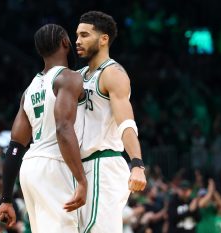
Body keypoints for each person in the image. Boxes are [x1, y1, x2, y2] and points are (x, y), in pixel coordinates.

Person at [0, 24, 87, 233]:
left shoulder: (30, 89)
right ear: (65, 42)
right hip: (55, 163)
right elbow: (63, 128)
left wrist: (6, 198)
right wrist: (81, 179)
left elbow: (16, 146)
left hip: (30, 166)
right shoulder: (69, 77)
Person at [75, 11, 147, 233]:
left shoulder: (113, 73)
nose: (77, 41)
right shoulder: (77, 75)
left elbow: (126, 123)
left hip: (102, 165)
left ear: (103, 39)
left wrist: (137, 164)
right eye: (77, 35)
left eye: (85, 35)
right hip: (80, 168)